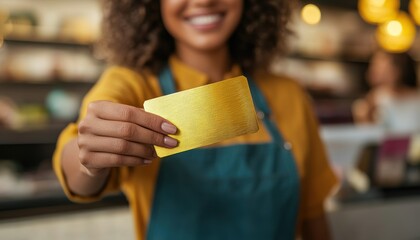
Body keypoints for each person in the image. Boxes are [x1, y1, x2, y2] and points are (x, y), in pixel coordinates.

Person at [53, 0, 338, 239]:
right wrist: (87, 157)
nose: (203, 1)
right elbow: (78, 176)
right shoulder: (132, 86)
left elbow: (314, 216)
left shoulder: (288, 94)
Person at [353, 50, 420, 133]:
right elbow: (367, 134)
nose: (374, 70)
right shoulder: (374, 98)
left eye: (379, 66)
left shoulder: (415, 98)